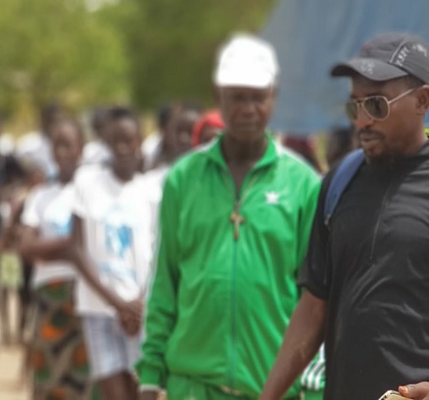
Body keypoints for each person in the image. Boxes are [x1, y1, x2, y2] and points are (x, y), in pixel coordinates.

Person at [137, 33, 320, 399]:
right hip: (192, 387)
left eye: (258, 97)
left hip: (274, 388)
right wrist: (151, 375)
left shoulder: (304, 184)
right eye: (237, 97)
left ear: (274, 97)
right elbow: (165, 281)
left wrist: (314, 388)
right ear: (218, 95)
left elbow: (315, 299)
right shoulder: (183, 179)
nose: (248, 109)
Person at [261, 32, 429, 400]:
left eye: (377, 105)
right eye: (355, 106)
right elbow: (313, 309)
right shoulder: (340, 181)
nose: (362, 121)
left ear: (422, 100)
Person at [72, 107, 158, 400]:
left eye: (128, 140)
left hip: (141, 312)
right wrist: (118, 304)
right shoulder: (87, 182)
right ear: (106, 142)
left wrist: (138, 303)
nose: (122, 147)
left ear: (139, 141)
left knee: (144, 391)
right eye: (115, 140)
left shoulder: (152, 190)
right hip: (98, 308)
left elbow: (160, 253)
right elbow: (76, 248)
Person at [19, 116, 93, 399]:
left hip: (87, 295)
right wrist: (71, 247)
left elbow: (90, 244)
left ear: (81, 149)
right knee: (48, 374)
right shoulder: (40, 196)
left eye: (68, 145)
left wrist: (48, 250)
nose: (62, 152)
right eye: (57, 145)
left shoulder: (92, 193)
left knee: (86, 378)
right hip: (49, 295)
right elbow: (26, 246)